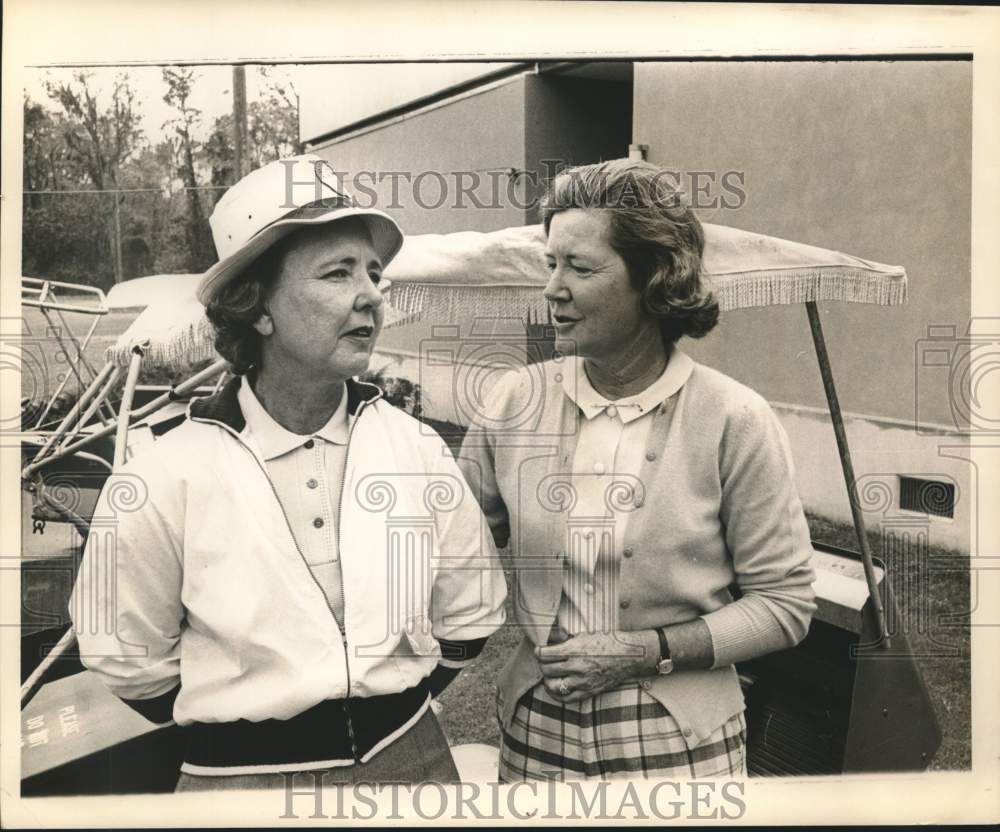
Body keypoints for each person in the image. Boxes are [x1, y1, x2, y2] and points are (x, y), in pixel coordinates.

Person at [70, 155, 507, 790]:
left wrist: (387, 708)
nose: (371, 297)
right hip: (236, 790)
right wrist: (247, 730)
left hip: (414, 764)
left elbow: (469, 616)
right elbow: (126, 658)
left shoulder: (414, 447)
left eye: (374, 273)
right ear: (258, 308)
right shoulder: (164, 472)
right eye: (337, 273)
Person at [458, 159, 817, 781]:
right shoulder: (513, 401)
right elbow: (453, 554)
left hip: (681, 739)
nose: (553, 289)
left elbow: (784, 603)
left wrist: (645, 652)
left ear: (654, 279)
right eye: (551, 263)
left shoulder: (735, 418)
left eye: (580, 267)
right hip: (538, 724)